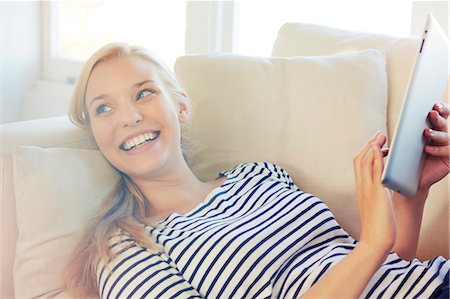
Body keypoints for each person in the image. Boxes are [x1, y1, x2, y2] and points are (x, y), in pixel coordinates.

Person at [64, 42, 449, 298]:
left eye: (144, 93)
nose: (129, 117)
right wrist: (371, 244)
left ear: (180, 106)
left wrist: (412, 196)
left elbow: (386, 276)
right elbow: (371, 254)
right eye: (103, 108)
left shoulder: (260, 174)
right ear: (96, 134)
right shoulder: (124, 247)